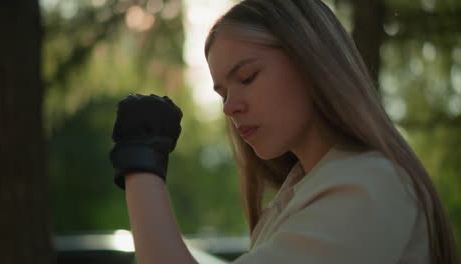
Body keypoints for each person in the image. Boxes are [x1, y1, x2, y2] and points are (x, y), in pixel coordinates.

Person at [109, 0, 459, 263]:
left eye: (247, 77)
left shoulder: (370, 186)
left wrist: (141, 159)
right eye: (222, 93)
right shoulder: (306, 190)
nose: (230, 107)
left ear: (311, 61)